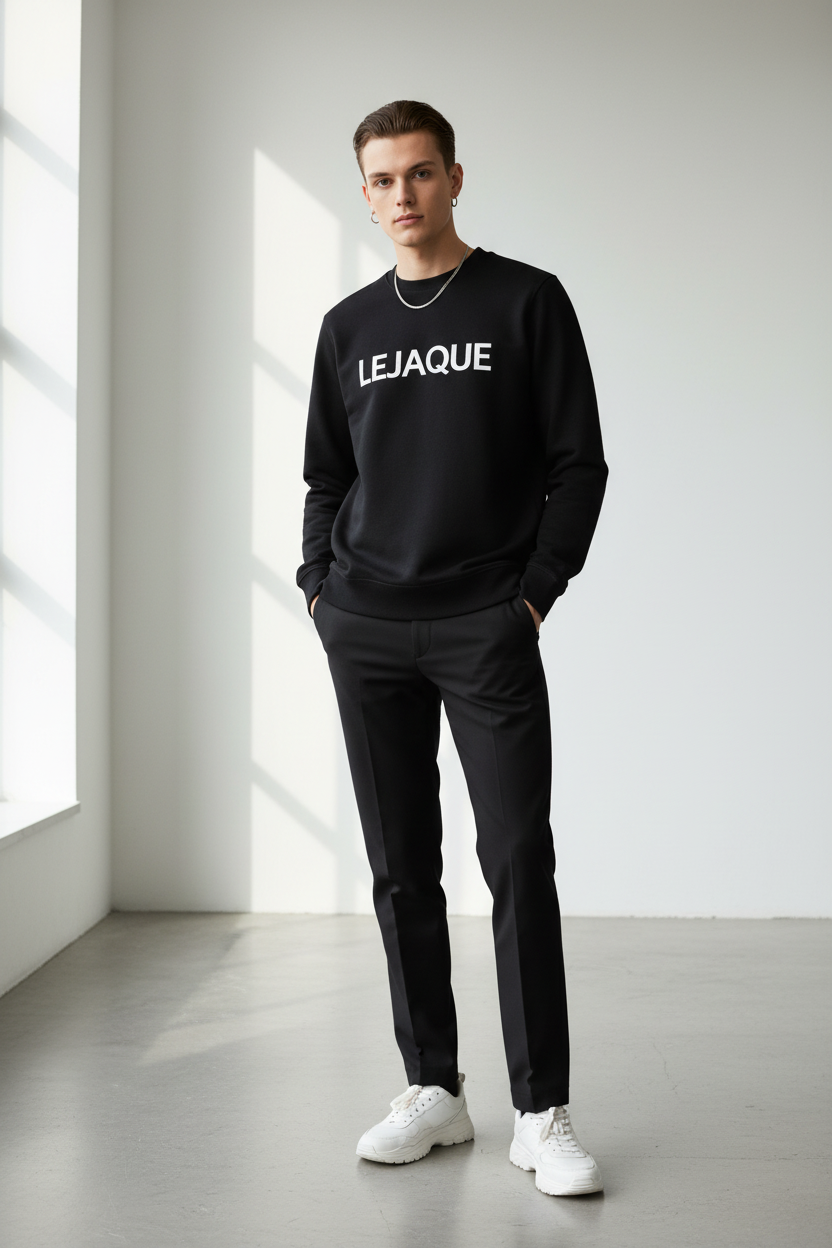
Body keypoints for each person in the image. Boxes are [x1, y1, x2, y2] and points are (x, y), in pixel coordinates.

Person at [296, 100, 608, 1198]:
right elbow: (326, 475)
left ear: (455, 179)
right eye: (383, 179)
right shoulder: (347, 327)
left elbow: (578, 464)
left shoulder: (525, 300)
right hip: (366, 624)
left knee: (517, 856)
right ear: (365, 192)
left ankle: (540, 1112)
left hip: (486, 623)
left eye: (420, 173)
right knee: (400, 868)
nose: (403, 195)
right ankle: (433, 1087)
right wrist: (319, 589)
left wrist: (533, 596)